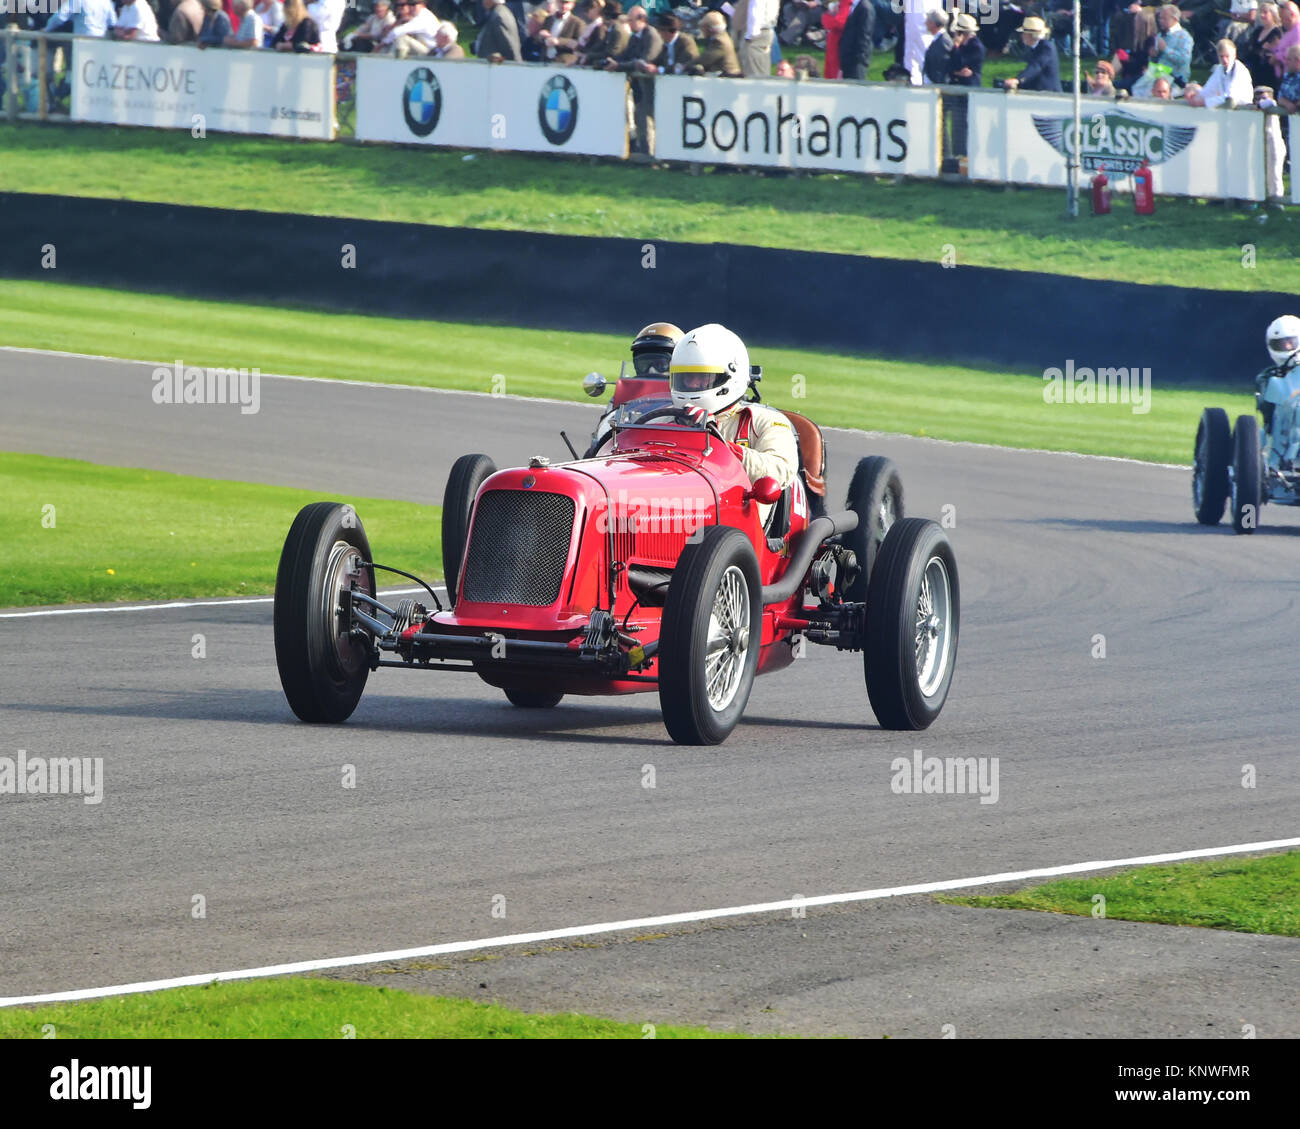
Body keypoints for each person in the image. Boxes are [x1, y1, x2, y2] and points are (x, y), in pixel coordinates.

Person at [668, 324, 799, 522]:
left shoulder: (765, 422)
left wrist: (721, 446)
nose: (693, 385)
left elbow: (782, 471)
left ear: (730, 376)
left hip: (736, 526)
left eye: (703, 378)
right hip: (671, 511)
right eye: (686, 378)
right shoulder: (663, 420)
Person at [1255, 316, 1300, 466]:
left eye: (1290, 342)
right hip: (1282, 444)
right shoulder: (1268, 377)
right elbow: (1266, 412)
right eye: (1280, 344)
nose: (1286, 347)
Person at [1131, 4, 1191, 96]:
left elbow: (1184, 60)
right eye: (1159, 18)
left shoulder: (1184, 37)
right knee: (1135, 89)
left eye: (1164, 18)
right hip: (1156, 73)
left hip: (1174, 77)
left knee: (1145, 92)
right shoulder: (1159, 35)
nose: (1160, 21)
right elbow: (1155, 61)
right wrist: (1153, 56)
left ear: (1174, 19)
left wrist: (1165, 49)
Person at [1001, 16, 1062, 91]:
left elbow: (1036, 66)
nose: (1022, 36)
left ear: (1032, 35)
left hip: (1049, 93)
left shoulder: (1046, 47)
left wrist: (1018, 80)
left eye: (1024, 33)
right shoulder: (1033, 48)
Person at [1186, 37, 1254, 105]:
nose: (1224, 60)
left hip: (1243, 109)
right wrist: (1195, 91)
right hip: (1227, 109)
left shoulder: (1239, 70)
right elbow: (1209, 91)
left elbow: (1230, 99)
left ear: (1234, 55)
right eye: (1221, 56)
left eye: (1227, 56)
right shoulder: (1219, 69)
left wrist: (1205, 102)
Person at [732, 0, 779, 76]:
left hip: (756, 34)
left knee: (753, 71)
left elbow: (756, 10)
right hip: (764, 31)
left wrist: (750, 35)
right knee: (761, 69)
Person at [689, 9, 742, 75]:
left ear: (710, 29)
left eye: (704, 27)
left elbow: (705, 59)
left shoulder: (719, 42)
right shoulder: (723, 37)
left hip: (726, 77)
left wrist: (685, 66)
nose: (702, 30)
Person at [1243, 1, 1283, 86]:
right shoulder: (1258, 31)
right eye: (1261, 12)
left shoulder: (1276, 32)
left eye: (1265, 12)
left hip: (1268, 72)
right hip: (1253, 68)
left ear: (1273, 14)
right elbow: (1250, 48)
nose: (1262, 15)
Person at [839, 0, 874, 80]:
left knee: (856, 88)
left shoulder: (865, 8)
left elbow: (865, 34)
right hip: (849, 58)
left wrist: (860, 58)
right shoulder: (855, 6)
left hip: (856, 60)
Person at [947, 12, 982, 86]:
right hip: (954, 84)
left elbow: (960, 63)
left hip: (970, 85)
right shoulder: (959, 45)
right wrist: (955, 72)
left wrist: (956, 46)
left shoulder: (976, 47)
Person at [820, 0, 849, 79]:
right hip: (832, 44)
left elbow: (839, 23)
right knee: (828, 77)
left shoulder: (847, 3)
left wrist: (826, 17)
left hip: (839, 45)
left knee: (835, 79)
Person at [921, 9, 951, 84]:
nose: (925, 23)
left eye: (928, 21)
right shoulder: (937, 39)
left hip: (936, 86)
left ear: (933, 23)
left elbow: (940, 67)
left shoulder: (943, 42)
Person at [1278, 41, 1300, 106]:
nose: (1286, 63)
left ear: (1298, 61)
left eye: (1289, 59)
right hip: (1287, 115)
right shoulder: (1287, 76)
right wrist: (1288, 104)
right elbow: (1280, 97)